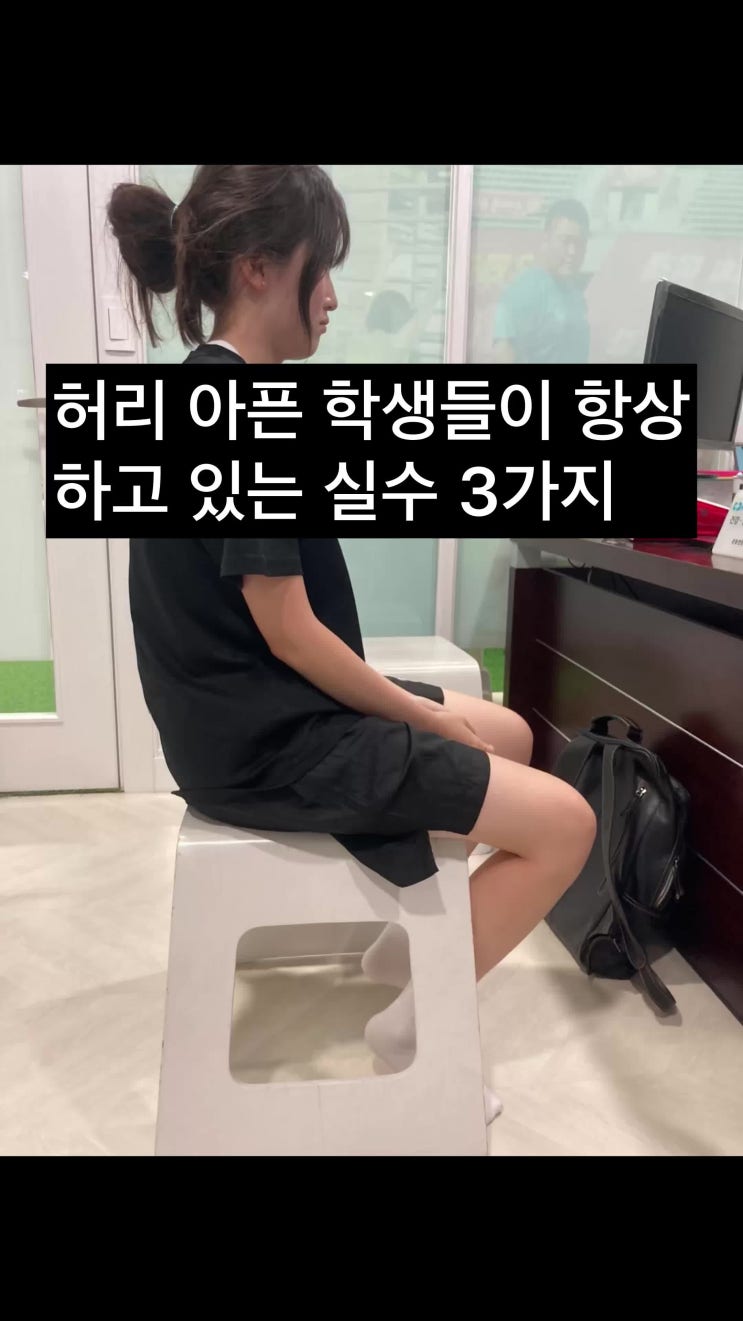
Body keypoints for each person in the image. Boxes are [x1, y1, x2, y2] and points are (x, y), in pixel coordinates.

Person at [108, 165, 595, 1126]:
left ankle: (400, 952)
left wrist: (421, 714)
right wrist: (418, 714)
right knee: (567, 825)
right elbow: (291, 633)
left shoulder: (214, 388)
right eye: (319, 267)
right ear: (257, 269)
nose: (332, 295)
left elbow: (283, 628)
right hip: (267, 741)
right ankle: (408, 1027)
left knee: (505, 732)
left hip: (252, 711)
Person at [492, 198, 591, 364]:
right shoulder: (526, 291)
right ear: (547, 238)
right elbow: (504, 352)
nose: (573, 251)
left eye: (579, 243)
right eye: (565, 241)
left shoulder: (575, 297)